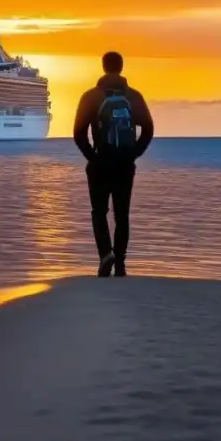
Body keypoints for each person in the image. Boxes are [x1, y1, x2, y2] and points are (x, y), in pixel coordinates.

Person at [73, 51, 154, 277]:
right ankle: (120, 261)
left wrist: (93, 158)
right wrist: (133, 154)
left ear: (103, 66)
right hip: (125, 164)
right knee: (122, 214)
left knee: (99, 211)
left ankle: (105, 255)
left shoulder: (91, 97)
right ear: (121, 67)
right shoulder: (134, 97)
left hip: (100, 162)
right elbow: (148, 129)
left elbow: (78, 133)